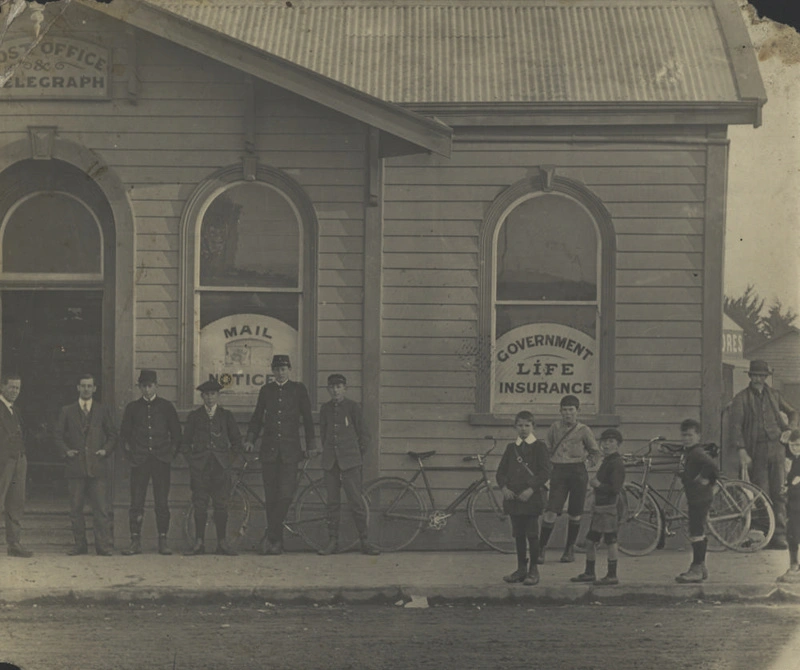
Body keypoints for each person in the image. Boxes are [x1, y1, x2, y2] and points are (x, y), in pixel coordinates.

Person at [244, 355, 317, 555]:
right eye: (276, 369)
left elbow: (308, 419)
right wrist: (250, 439)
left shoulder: (298, 389)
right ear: (272, 371)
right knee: (271, 497)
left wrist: (311, 443)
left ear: (289, 369)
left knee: (285, 495)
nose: (280, 372)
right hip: (269, 452)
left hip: (290, 452)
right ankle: (277, 543)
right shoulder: (266, 391)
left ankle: (271, 535)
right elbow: (258, 417)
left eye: (283, 368)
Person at [729, 359, 798, 550]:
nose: (759, 379)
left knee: (779, 493)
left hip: (777, 448)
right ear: (750, 376)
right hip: (756, 450)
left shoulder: (774, 395)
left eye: (762, 376)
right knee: (762, 494)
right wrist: (742, 450)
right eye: (755, 375)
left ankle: (780, 535)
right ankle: (766, 535)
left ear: (766, 377)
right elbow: (735, 427)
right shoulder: (741, 398)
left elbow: (793, 412)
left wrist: (790, 431)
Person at [119, 370, 182, 556]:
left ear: (156, 386)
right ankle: (135, 541)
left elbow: (177, 436)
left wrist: (169, 454)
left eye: (150, 386)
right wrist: (130, 456)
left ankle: (163, 540)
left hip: (161, 461)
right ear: (139, 387)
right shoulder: (132, 408)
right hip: (139, 462)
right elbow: (124, 436)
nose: (146, 390)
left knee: (161, 502)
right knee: (136, 502)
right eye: (143, 386)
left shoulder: (166, 407)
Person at [54, 373, 118, 556]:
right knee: (75, 509)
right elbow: (57, 435)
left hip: (97, 467)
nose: (86, 389)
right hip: (75, 467)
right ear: (77, 388)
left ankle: (102, 546)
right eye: (83, 386)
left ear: (95, 388)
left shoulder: (102, 410)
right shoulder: (67, 410)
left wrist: (105, 450)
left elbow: (113, 435)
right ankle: (80, 545)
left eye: (89, 386)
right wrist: (66, 451)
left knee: (101, 510)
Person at [317, 373, 379, 556]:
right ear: (328, 389)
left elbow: (365, 435)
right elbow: (324, 433)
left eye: (339, 387)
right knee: (332, 503)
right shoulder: (325, 409)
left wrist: (354, 455)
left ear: (345, 388)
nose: (335, 390)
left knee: (356, 501)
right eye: (332, 387)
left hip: (350, 463)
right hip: (331, 463)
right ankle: (333, 541)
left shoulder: (353, 407)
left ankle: (365, 541)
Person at [181, 379, 243, 556]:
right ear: (202, 396)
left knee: (221, 505)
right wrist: (193, 461)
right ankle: (199, 542)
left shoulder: (226, 416)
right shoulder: (195, 417)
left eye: (213, 394)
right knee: (200, 504)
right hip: (200, 469)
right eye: (206, 395)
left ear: (218, 396)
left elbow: (237, 442)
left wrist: (227, 461)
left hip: (220, 468)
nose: (209, 398)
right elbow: (185, 444)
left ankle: (222, 543)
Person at [538, 395, 600, 564]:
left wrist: (585, 465)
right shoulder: (554, 428)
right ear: (560, 411)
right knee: (551, 510)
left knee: (575, 512)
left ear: (577, 411)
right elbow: (546, 449)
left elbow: (595, 452)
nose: (567, 414)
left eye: (571, 410)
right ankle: (541, 549)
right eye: (564, 410)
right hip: (558, 471)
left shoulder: (584, 430)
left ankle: (569, 549)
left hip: (578, 472)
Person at [496, 410, 551, 586]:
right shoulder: (511, 449)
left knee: (532, 534)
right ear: (515, 427)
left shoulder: (540, 447)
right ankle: (521, 569)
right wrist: (504, 487)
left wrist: (531, 489)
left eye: (527, 425)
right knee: (518, 534)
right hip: (513, 497)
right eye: (520, 425)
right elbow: (501, 472)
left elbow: (545, 472)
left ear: (533, 427)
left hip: (531, 498)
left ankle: (534, 570)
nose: (524, 429)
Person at [571, 428, 625, 586]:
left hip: (609, 508)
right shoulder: (608, 460)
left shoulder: (616, 463)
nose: (606, 445)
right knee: (590, 541)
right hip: (600, 508)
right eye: (604, 441)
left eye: (611, 442)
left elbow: (615, 489)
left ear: (618, 445)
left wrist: (598, 484)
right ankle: (589, 572)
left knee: (610, 540)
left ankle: (612, 575)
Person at [674, 419, 719, 583]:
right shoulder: (690, 452)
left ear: (698, 436)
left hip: (700, 497)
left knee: (696, 532)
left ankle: (697, 568)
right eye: (684, 435)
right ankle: (701, 567)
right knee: (697, 530)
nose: (686, 438)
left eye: (690, 435)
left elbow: (712, 467)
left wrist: (704, 479)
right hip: (696, 496)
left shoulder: (697, 452)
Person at [0, 373, 32, 558]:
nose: (15, 391)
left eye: (18, 388)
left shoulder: (15, 409)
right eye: (11, 387)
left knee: (15, 503)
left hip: (18, 460)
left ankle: (14, 543)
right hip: (3, 462)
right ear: (2, 387)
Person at [778, 429, 800, 583]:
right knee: (792, 534)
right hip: (793, 505)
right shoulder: (792, 460)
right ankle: (794, 566)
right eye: (793, 445)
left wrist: (792, 487)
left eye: (799, 445)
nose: (796, 448)